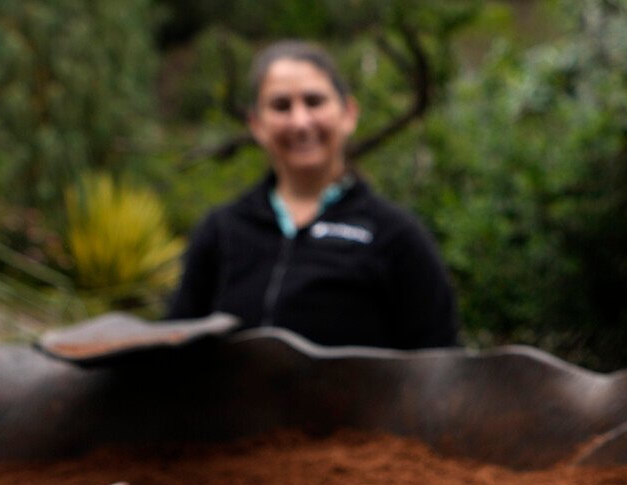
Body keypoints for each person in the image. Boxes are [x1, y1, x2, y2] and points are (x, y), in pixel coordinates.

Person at [166, 41, 460, 350]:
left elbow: (441, 367)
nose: (300, 122)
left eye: (314, 101)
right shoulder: (221, 231)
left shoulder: (394, 236)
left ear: (348, 113)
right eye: (281, 106)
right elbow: (176, 351)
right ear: (256, 124)